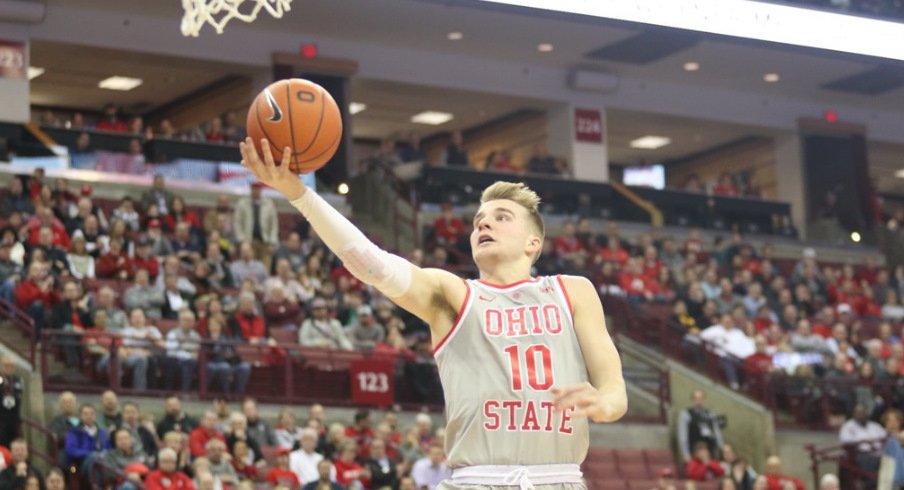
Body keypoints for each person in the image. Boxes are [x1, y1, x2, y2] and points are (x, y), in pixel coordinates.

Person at [242, 137, 627, 488]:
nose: (484, 223)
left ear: (534, 242)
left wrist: (606, 404)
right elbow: (370, 263)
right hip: (476, 479)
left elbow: (613, 387)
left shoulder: (572, 291)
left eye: (501, 216)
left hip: (558, 479)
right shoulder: (454, 294)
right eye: (479, 221)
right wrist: (299, 194)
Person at [233, 182, 278, 267]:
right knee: (249, 267)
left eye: (258, 189)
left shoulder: (269, 204)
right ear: (251, 189)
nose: (256, 191)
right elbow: (237, 223)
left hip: (265, 242)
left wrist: (272, 242)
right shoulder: (242, 203)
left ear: (261, 190)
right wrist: (241, 240)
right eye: (254, 189)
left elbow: (274, 225)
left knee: (265, 268)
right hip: (248, 241)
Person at [678, 390, 724, 463]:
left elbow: (717, 433)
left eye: (701, 399)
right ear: (692, 400)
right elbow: (683, 436)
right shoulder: (686, 414)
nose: (698, 401)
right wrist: (685, 454)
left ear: (704, 400)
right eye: (696, 399)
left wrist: (721, 448)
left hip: (710, 451)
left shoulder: (710, 414)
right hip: (693, 451)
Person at [0, 357, 23, 447]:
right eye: (6, 366)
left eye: (12, 366)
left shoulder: (18, 380)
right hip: (1, 420)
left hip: (14, 420)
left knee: (15, 444)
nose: (9, 368)